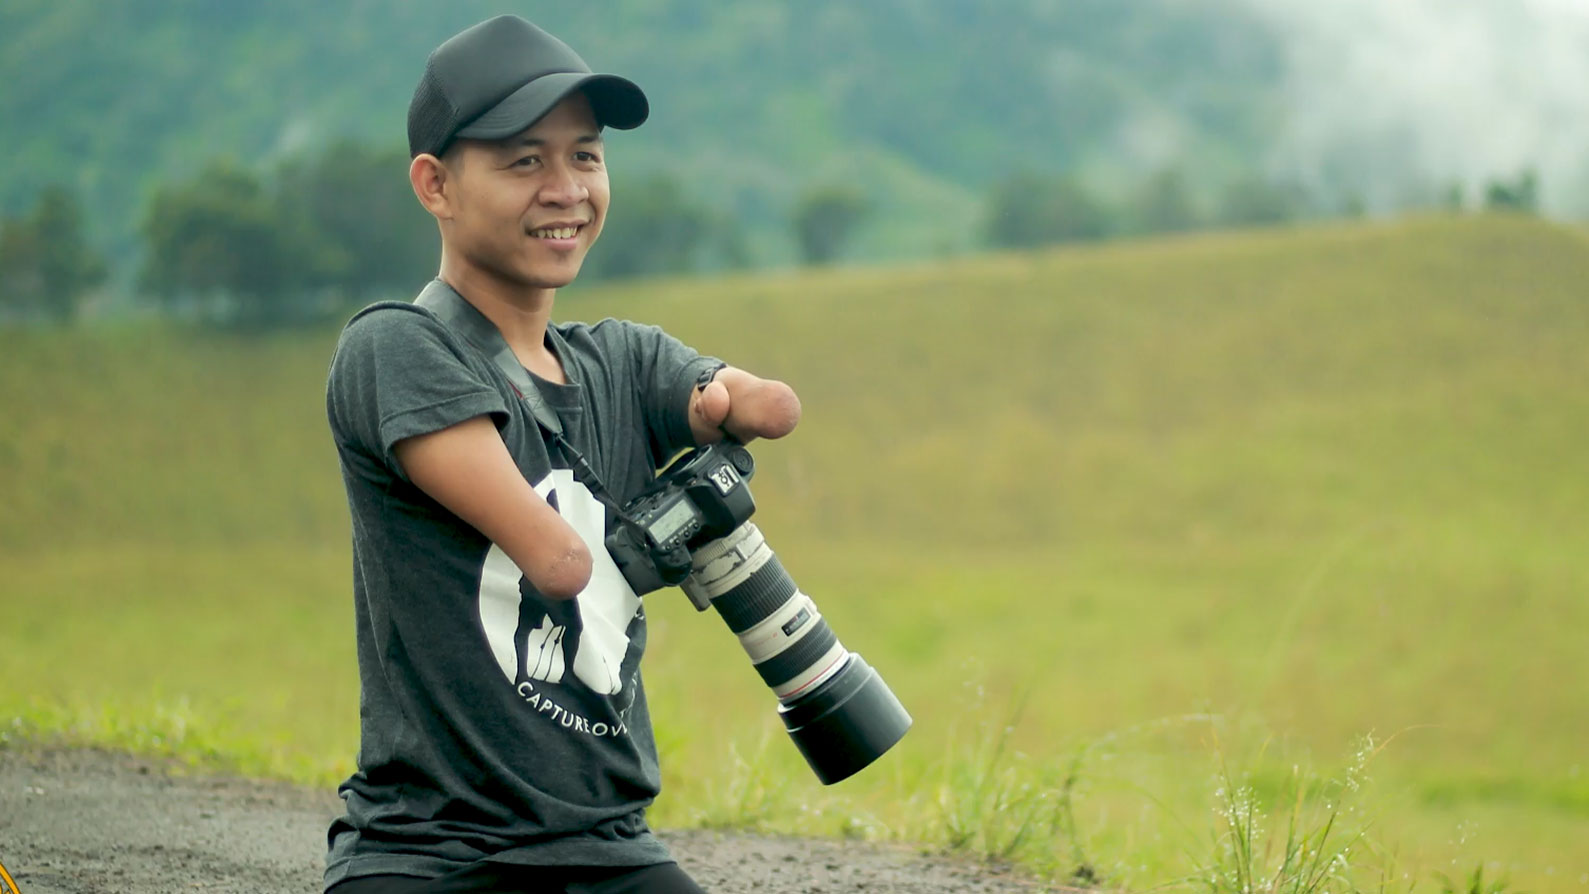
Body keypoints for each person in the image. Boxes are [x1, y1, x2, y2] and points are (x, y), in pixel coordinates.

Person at [321, 15, 800, 894]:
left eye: (585, 156)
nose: (565, 189)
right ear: (435, 184)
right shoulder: (393, 348)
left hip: (608, 846)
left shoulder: (618, 357)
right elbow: (556, 558)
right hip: (430, 851)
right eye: (523, 161)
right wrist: (662, 535)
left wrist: (731, 416)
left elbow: (774, 406)